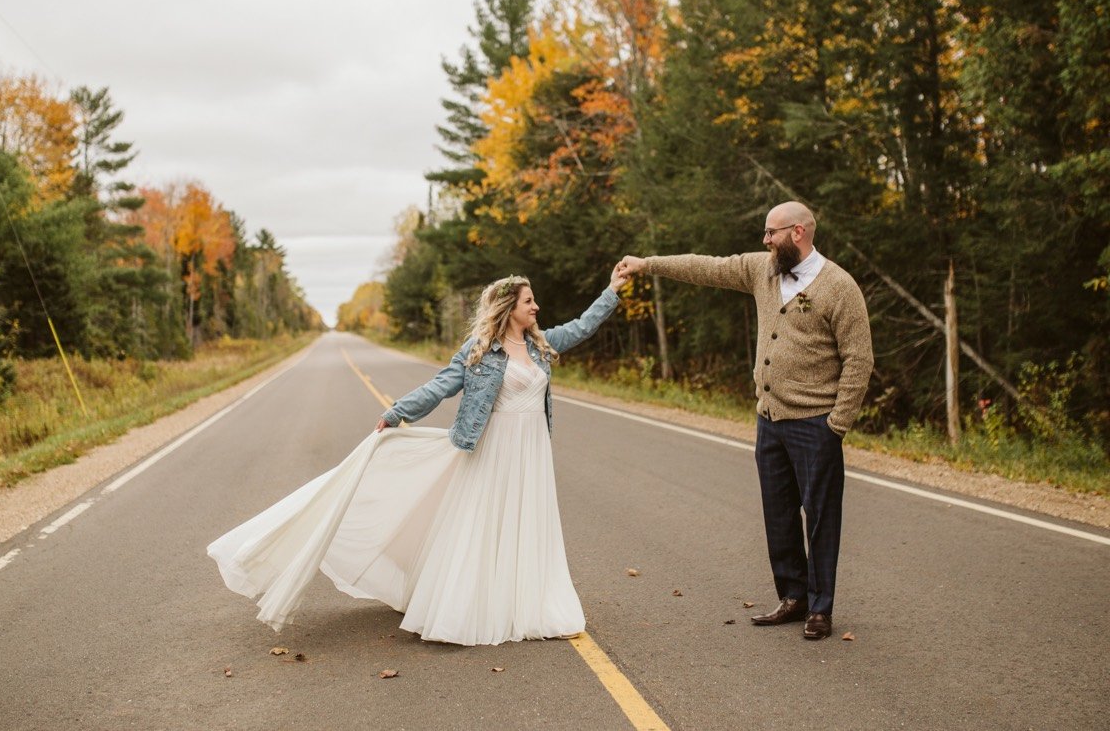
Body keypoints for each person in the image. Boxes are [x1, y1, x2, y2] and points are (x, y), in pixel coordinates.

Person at [208, 269, 625, 645]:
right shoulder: (479, 351)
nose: (537, 306)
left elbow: (584, 326)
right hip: (493, 449)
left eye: (534, 300)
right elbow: (439, 387)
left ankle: (531, 602)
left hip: (532, 451)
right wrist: (396, 413)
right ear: (508, 308)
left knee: (527, 523)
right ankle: (476, 605)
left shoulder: (541, 345)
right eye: (528, 301)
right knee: (484, 524)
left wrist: (612, 290)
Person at [615, 201, 872, 640]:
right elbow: (706, 267)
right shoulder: (763, 270)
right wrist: (647, 264)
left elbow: (859, 359)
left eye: (771, 233)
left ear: (798, 232)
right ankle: (793, 597)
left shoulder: (840, 287)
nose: (765, 240)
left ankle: (820, 608)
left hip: (816, 423)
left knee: (822, 516)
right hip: (769, 419)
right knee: (778, 513)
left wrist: (837, 424)